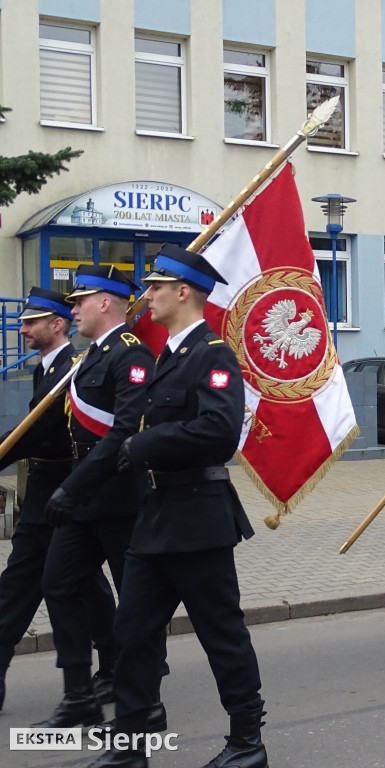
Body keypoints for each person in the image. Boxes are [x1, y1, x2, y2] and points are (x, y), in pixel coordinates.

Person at [88, 245, 268, 768]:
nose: (146, 297)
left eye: (154, 287)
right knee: (133, 632)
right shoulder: (169, 354)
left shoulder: (213, 354)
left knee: (221, 634)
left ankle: (246, 741)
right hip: (157, 514)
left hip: (199, 516)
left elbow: (218, 430)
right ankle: (130, 743)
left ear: (182, 291)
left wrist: (143, 446)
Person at [33, 267, 155, 730]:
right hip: (85, 496)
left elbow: (125, 430)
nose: (73, 308)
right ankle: (79, 695)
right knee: (58, 584)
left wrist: (73, 487)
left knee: (136, 600)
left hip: (119, 497)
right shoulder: (90, 356)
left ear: (106, 303)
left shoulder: (131, 355)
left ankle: (146, 696)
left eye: (80, 299)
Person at [0, 289, 117, 713]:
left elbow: (45, 432)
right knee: (37, 581)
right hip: (44, 489)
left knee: (71, 584)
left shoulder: (75, 369)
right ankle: (107, 669)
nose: (22, 328)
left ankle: (108, 671)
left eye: (32, 322)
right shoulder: (44, 369)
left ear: (57, 325)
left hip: (70, 489)